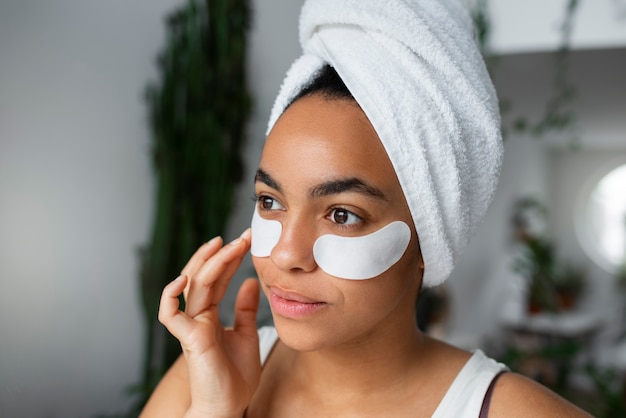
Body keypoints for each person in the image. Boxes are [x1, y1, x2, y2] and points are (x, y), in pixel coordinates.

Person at [141, 0, 592, 416]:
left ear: (427, 241)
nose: (285, 255)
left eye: (342, 214)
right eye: (270, 201)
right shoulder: (202, 377)